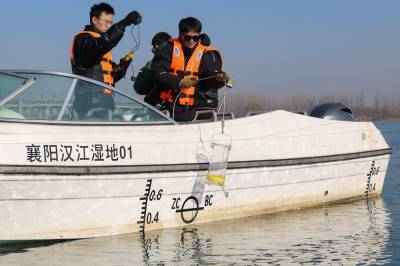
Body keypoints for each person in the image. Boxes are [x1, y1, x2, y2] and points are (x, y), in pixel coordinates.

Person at [70, 2, 142, 119]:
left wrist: (122, 67)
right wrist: (123, 24)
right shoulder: (84, 39)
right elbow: (102, 44)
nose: (109, 25)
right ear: (94, 19)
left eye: (111, 22)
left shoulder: (98, 44)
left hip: (103, 102)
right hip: (90, 102)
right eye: (106, 22)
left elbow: (108, 77)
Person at [151, 17, 229, 122]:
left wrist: (218, 79)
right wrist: (179, 82)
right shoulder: (167, 49)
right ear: (180, 34)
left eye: (195, 38)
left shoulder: (206, 54)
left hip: (190, 110)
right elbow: (158, 73)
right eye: (187, 37)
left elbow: (207, 81)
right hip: (165, 109)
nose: (192, 41)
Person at [136, 32, 212, 108]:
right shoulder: (197, 59)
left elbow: (140, 88)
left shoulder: (155, 63)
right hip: (195, 106)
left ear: (156, 46)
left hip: (163, 107)